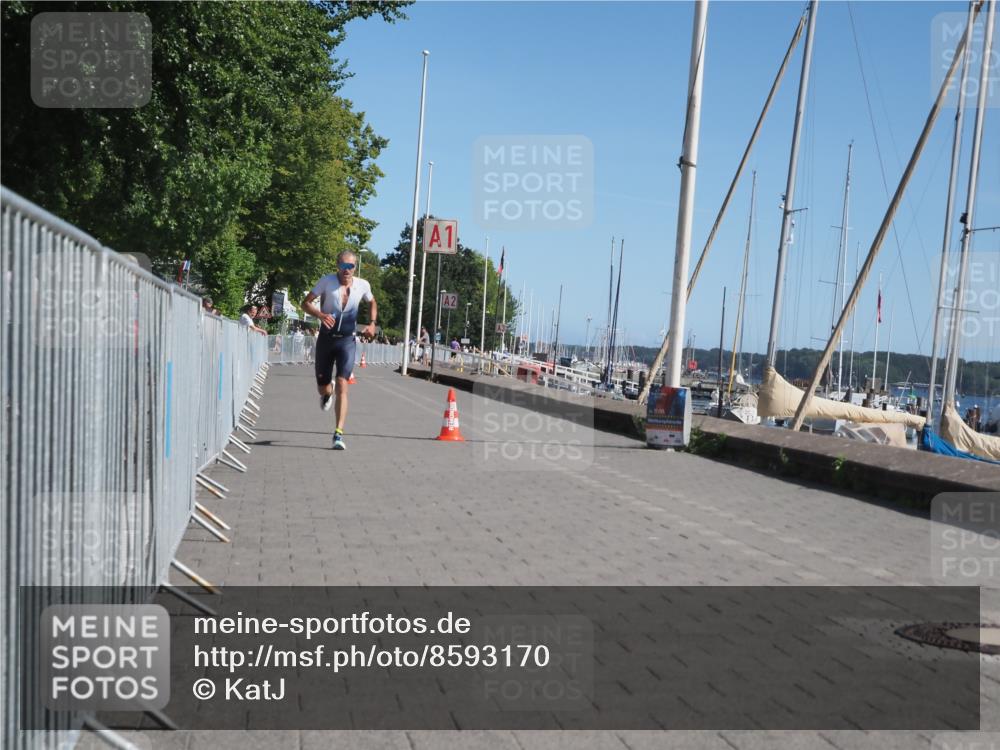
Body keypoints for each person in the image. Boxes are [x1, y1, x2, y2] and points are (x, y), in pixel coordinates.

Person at [301, 251, 377, 450]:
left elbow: (372, 302)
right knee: (323, 387)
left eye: (350, 266)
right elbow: (305, 303)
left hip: (347, 341)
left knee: (344, 383)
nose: (347, 270)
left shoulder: (363, 285)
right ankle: (327, 393)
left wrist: (371, 324)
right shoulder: (326, 282)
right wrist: (319, 313)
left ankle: (338, 434)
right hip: (326, 340)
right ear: (337, 266)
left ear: (355, 268)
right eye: (343, 266)